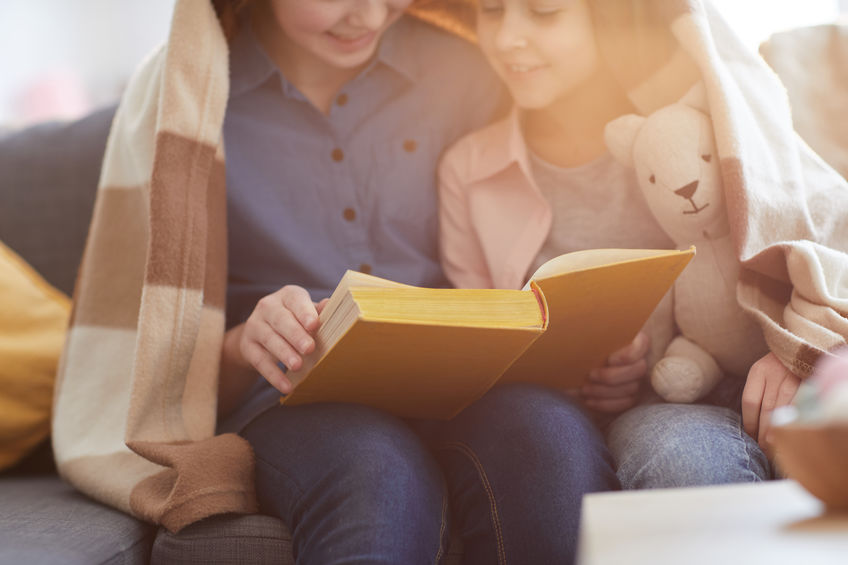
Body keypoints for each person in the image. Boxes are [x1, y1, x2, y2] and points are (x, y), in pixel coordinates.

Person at [212, 1, 627, 563]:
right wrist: (245, 345)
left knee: (550, 437)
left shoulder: (470, 71)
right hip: (289, 402)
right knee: (375, 469)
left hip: (462, 386)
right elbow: (155, 372)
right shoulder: (195, 101)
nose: (372, 15)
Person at [439, 0, 848, 492]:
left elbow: (822, 229)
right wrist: (580, 375)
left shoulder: (705, 124)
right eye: (490, 10)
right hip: (664, 408)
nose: (507, 38)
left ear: (605, 17)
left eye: (544, 12)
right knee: (687, 467)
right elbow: (478, 351)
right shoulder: (468, 170)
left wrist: (795, 348)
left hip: (779, 378)